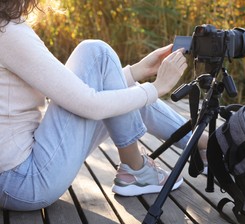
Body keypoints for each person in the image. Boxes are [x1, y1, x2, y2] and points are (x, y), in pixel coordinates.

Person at [0, 0, 207, 211]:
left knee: (105, 67)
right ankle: (138, 168)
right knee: (97, 53)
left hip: (14, 178)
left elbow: (68, 93)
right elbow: (90, 104)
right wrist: (156, 88)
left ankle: (204, 144)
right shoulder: (8, 32)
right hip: (23, 181)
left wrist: (136, 71)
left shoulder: (6, 29)